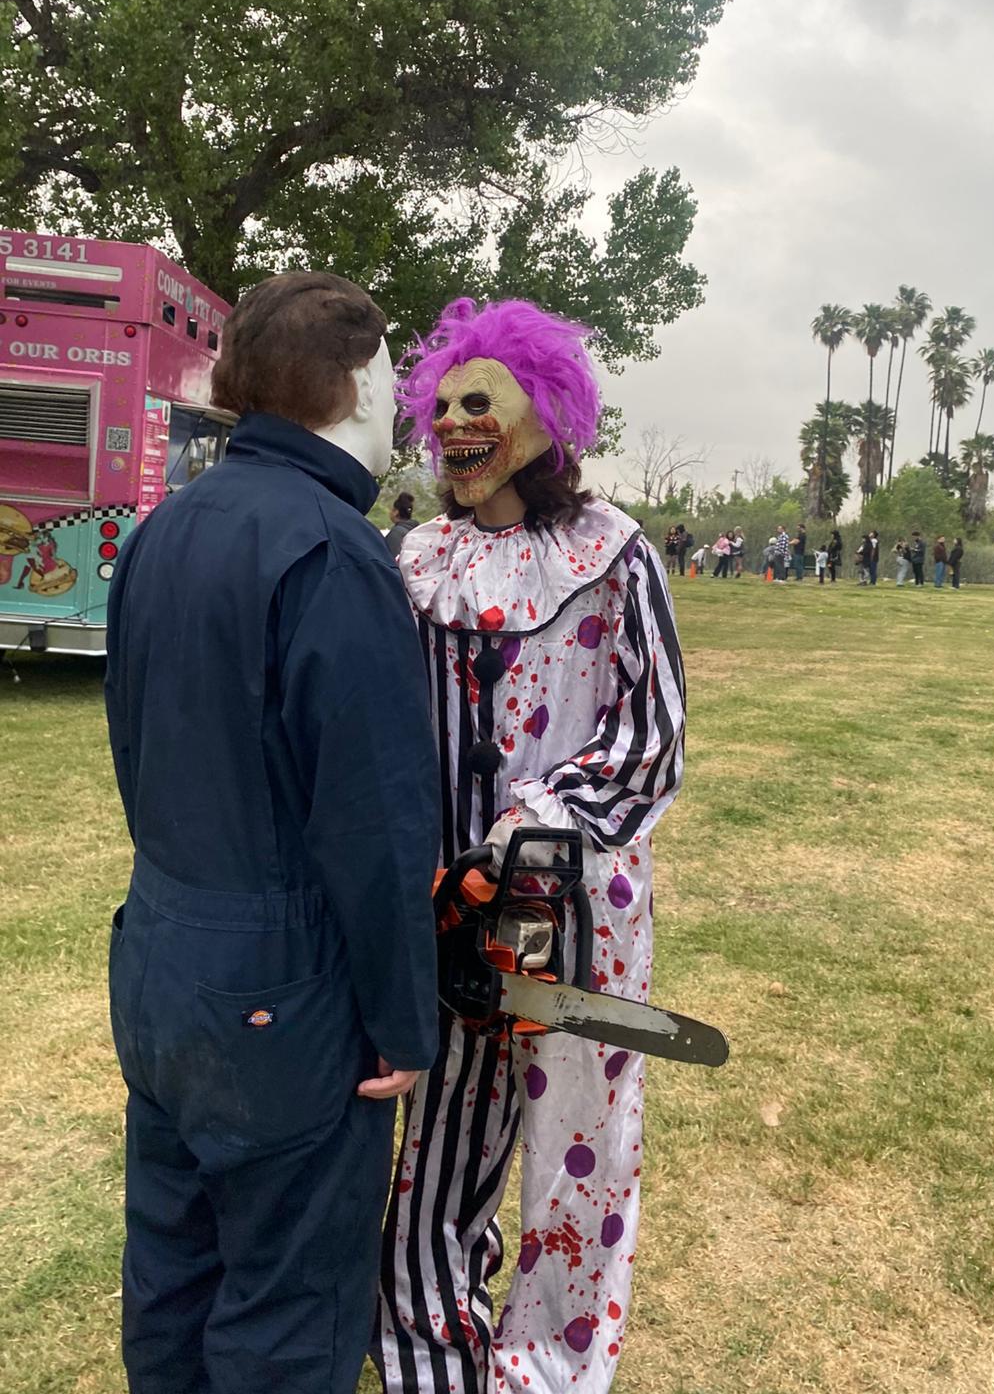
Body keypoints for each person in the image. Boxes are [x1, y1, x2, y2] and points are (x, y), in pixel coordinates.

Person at [104, 274, 442, 1394]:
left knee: (174, 1260)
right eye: (391, 373)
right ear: (355, 384)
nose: (400, 402)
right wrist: (403, 1019)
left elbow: (132, 743)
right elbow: (377, 824)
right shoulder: (335, 551)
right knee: (289, 1300)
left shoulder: (161, 529)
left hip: (160, 956)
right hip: (279, 991)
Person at [381, 298, 686, 1394]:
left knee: (578, 1157)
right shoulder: (419, 558)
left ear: (545, 416)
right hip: (448, 910)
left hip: (579, 915)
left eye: (482, 402)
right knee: (440, 1142)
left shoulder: (614, 554)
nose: (455, 423)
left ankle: (551, 1363)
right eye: (442, 405)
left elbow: (650, 739)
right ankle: (429, 1350)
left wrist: (534, 827)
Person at [384, 489, 418, 554]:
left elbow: (391, 556)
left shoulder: (396, 533)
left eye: (392, 510)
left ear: (396, 512)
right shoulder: (417, 530)